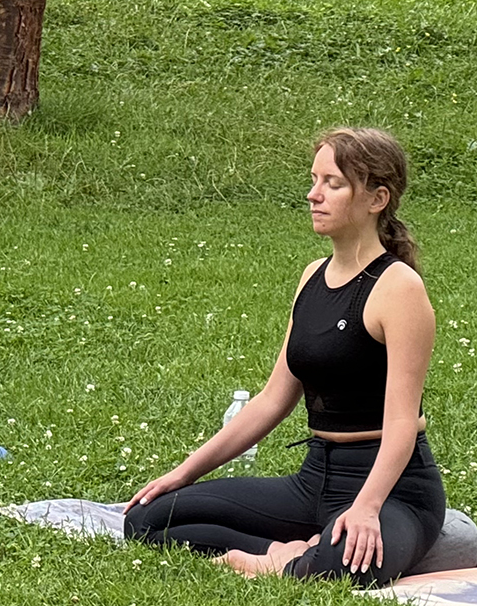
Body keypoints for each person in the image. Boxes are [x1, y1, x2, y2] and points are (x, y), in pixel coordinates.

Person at [123, 128, 445, 587]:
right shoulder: (313, 276)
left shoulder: (399, 288)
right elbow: (273, 399)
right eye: (314, 180)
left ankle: (294, 557)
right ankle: (283, 554)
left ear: (376, 198)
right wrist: (183, 472)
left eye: (332, 183)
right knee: (147, 518)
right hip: (314, 480)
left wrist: (367, 508)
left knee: (349, 563)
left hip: (394, 491)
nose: (313, 195)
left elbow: (401, 422)